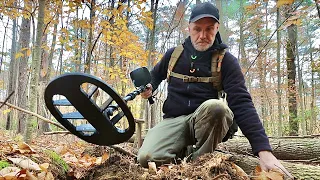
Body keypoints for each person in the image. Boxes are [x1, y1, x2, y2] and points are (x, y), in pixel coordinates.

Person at [137, 2, 292, 178]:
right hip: (174, 120)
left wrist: (263, 150)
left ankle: (200, 162)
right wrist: (149, 86)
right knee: (146, 158)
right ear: (188, 28)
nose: (203, 35)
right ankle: (187, 151)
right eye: (197, 29)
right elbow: (154, 76)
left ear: (217, 28)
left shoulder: (226, 61)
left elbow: (242, 103)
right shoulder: (174, 55)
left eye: (209, 29)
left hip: (207, 122)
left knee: (217, 107)